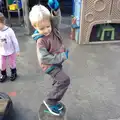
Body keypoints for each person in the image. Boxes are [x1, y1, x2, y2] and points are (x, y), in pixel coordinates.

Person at [29, 0, 70, 116]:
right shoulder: (41, 41)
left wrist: (55, 11)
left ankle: (55, 95)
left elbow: (56, 20)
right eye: (42, 28)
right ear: (35, 26)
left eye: (48, 26)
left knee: (58, 81)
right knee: (65, 80)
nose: (46, 30)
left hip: (57, 62)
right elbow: (44, 58)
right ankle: (50, 101)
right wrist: (62, 56)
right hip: (50, 65)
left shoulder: (52, 26)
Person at [0, 12, 20, 82]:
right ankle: (3, 74)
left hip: (11, 50)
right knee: (2, 64)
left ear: (2, 22)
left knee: (12, 63)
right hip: (2, 51)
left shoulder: (9, 31)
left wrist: (17, 50)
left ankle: (14, 73)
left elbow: (15, 41)